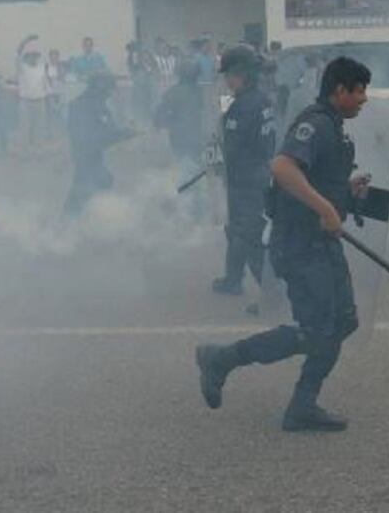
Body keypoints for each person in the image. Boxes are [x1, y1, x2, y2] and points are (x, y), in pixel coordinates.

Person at [195, 57, 373, 432]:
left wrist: (347, 193)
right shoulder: (317, 124)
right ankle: (223, 359)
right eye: (359, 91)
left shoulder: (335, 127)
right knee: (317, 330)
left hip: (320, 242)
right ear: (340, 90)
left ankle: (302, 404)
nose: (363, 99)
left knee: (343, 321)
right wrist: (326, 207)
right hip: (299, 244)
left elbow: (316, 180)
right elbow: (282, 167)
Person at [211, 46, 276, 296]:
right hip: (259, 173)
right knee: (237, 228)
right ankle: (233, 280)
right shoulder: (262, 100)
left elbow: (231, 149)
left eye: (231, 75)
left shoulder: (241, 107)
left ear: (246, 74)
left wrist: (217, 162)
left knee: (247, 233)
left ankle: (271, 291)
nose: (228, 80)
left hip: (245, 179)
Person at [63, 73, 134, 217]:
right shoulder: (80, 106)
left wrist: (124, 133)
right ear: (98, 88)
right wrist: (122, 134)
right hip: (84, 154)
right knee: (85, 185)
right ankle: (68, 222)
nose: (110, 94)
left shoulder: (99, 105)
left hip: (94, 154)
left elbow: (109, 130)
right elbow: (91, 136)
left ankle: (94, 215)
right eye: (108, 89)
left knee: (102, 181)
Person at [153, 41, 204, 163]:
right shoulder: (202, 92)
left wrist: (164, 124)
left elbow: (159, 116)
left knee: (185, 166)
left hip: (179, 138)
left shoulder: (172, 93)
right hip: (199, 138)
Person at [14, 34, 48, 153]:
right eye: (30, 56)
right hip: (26, 102)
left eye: (35, 56)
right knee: (24, 128)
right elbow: (18, 52)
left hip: (40, 101)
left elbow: (45, 84)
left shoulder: (41, 68)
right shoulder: (22, 67)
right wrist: (26, 40)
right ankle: (24, 152)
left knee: (40, 128)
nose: (33, 58)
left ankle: (39, 151)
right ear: (26, 58)